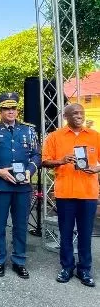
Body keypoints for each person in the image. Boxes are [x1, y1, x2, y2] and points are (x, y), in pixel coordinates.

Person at [0, 93, 41, 278]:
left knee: (20, 225)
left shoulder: (29, 130)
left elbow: (37, 155)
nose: (11, 111)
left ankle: (19, 260)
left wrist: (30, 170)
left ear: (17, 110)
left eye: (13, 108)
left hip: (22, 187)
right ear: (0, 112)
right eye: (6, 108)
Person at [42, 103, 99, 287]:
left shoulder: (95, 136)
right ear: (65, 116)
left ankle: (84, 269)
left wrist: (96, 168)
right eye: (74, 113)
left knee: (85, 233)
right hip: (65, 192)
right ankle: (66, 267)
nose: (79, 115)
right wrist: (61, 160)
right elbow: (44, 161)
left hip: (88, 193)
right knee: (65, 233)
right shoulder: (55, 137)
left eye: (81, 112)